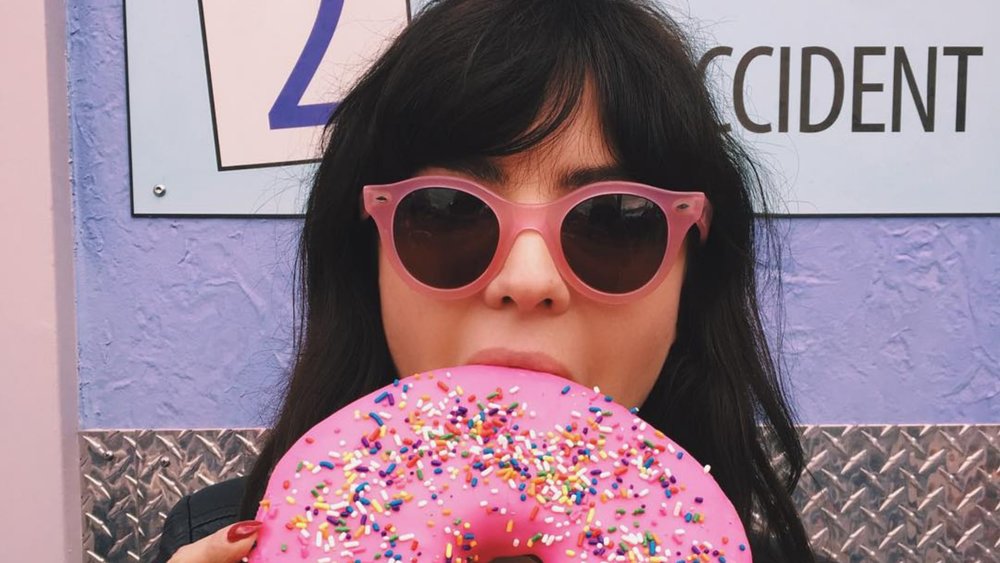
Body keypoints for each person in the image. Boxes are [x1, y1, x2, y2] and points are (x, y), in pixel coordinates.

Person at [155, 0, 818, 561]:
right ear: (371, 266)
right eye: (448, 213)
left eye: (615, 222)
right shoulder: (221, 539)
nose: (528, 278)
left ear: (688, 284)